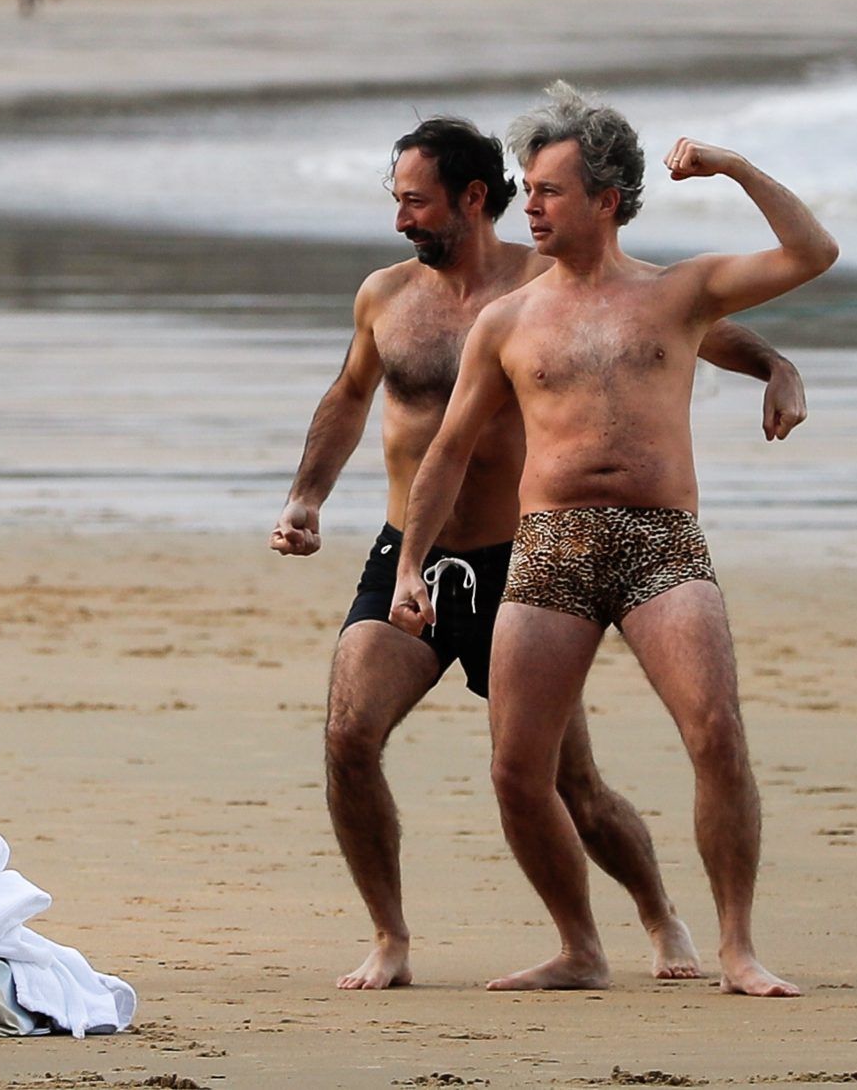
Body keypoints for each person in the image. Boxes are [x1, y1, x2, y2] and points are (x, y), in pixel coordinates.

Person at [273, 117, 807, 991]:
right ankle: (393, 935)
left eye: (415, 201)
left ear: (470, 200)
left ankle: (659, 912)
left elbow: (681, 325)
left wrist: (775, 363)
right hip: (423, 548)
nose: (401, 219)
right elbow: (351, 398)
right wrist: (308, 500)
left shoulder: (547, 281)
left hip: (524, 552)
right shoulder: (388, 297)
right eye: (398, 200)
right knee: (349, 734)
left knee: (577, 788)